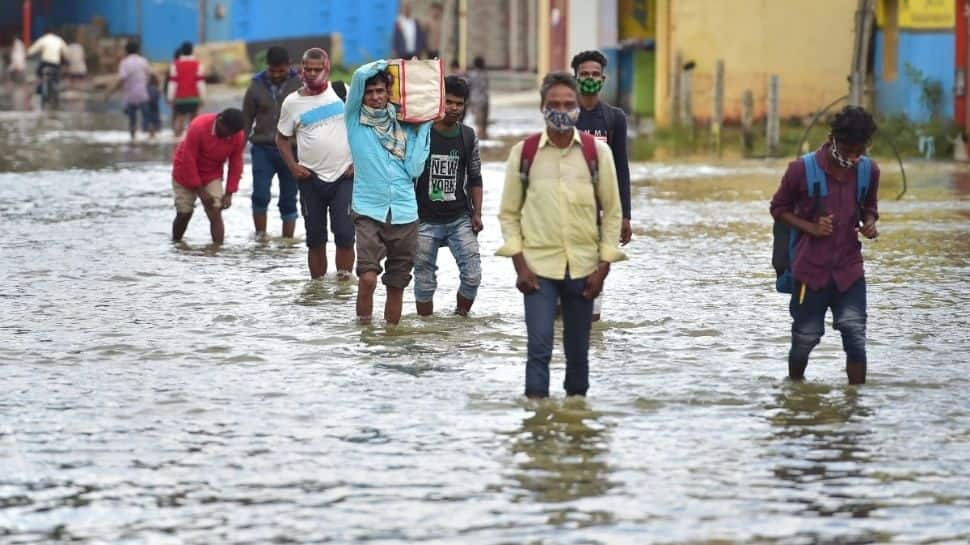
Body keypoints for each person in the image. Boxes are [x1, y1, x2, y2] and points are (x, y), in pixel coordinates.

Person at [497, 72, 626, 399]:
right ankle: (537, 427)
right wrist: (519, 265)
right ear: (542, 108)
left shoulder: (597, 154)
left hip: (584, 269)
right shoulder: (524, 153)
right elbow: (509, 214)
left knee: (578, 356)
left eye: (569, 104)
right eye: (553, 104)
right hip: (538, 270)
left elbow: (612, 212)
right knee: (538, 349)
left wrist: (603, 268)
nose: (561, 110)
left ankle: (575, 426)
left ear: (578, 110)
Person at [769, 106, 880, 385]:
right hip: (810, 272)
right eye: (849, 149)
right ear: (833, 139)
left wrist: (869, 222)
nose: (854, 157)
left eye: (860, 150)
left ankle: (856, 408)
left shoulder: (869, 170)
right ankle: (796, 393)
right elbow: (778, 208)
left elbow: (870, 206)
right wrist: (811, 228)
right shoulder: (800, 170)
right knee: (805, 338)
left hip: (849, 271)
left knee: (855, 335)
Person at [345, 60, 432, 325]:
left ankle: (390, 342)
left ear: (388, 92)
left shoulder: (404, 127)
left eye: (380, 91)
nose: (374, 97)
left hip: (405, 214)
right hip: (369, 210)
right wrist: (389, 64)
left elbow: (415, 169)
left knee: (396, 286)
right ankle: (364, 335)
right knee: (367, 278)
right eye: (370, 92)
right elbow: (360, 74)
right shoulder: (355, 120)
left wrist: (423, 127)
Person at [276, 48, 355, 280]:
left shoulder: (343, 92)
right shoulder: (292, 103)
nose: (311, 74)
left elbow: (364, 127)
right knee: (315, 238)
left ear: (327, 68)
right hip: (310, 179)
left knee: (344, 234)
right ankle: (318, 288)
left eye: (317, 69)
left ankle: (343, 287)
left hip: (344, 177)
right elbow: (281, 138)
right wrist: (293, 167)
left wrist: (359, 163)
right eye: (307, 69)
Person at [571, 49, 633, 321]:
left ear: (603, 79)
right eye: (584, 74)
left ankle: (591, 339)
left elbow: (621, 167)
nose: (589, 78)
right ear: (575, 78)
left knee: (595, 281)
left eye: (595, 74)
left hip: (599, 213)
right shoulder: (566, 116)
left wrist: (625, 215)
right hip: (565, 209)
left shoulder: (614, 118)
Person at [413, 76, 483, 317]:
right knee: (423, 280)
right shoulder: (420, 133)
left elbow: (475, 177)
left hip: (459, 218)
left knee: (473, 275)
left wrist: (477, 213)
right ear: (438, 102)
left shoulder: (468, 136)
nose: (454, 108)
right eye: (448, 102)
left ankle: (460, 320)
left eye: (459, 103)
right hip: (423, 220)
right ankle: (427, 327)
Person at [243, 45, 302, 239]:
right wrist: (238, 147)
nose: (276, 74)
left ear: (289, 66)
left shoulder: (300, 84)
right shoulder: (256, 85)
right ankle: (261, 238)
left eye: (281, 70)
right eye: (272, 70)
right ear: (267, 66)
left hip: (292, 150)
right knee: (260, 194)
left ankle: (287, 242)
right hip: (262, 148)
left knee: (289, 198)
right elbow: (246, 119)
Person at [171, 108, 246, 245]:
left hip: (211, 173)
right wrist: (201, 191)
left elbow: (236, 164)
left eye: (233, 133)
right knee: (184, 213)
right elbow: (188, 159)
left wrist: (229, 192)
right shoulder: (198, 126)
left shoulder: (237, 136)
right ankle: (176, 244)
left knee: (215, 210)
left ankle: (217, 253)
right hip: (184, 171)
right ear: (220, 121)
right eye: (227, 132)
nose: (228, 136)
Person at [105, 40, 153, 140]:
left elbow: (121, 80)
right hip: (143, 94)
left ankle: (133, 139)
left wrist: (110, 92)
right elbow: (150, 75)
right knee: (147, 118)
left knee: (132, 120)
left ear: (126, 51)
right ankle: (150, 137)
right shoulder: (143, 61)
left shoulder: (124, 63)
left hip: (130, 96)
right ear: (138, 50)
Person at [168, 41, 206, 137]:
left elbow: (173, 84)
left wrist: (170, 98)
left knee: (179, 119)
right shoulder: (198, 64)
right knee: (194, 121)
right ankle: (193, 140)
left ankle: (176, 143)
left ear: (181, 51)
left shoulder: (175, 65)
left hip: (180, 98)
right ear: (192, 51)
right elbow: (200, 84)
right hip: (194, 98)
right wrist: (203, 98)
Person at [466, 56, 489, 139]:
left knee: (480, 121)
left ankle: (482, 136)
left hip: (475, 100)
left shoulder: (471, 74)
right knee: (483, 121)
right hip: (484, 100)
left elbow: (468, 87)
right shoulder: (484, 74)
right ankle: (483, 136)